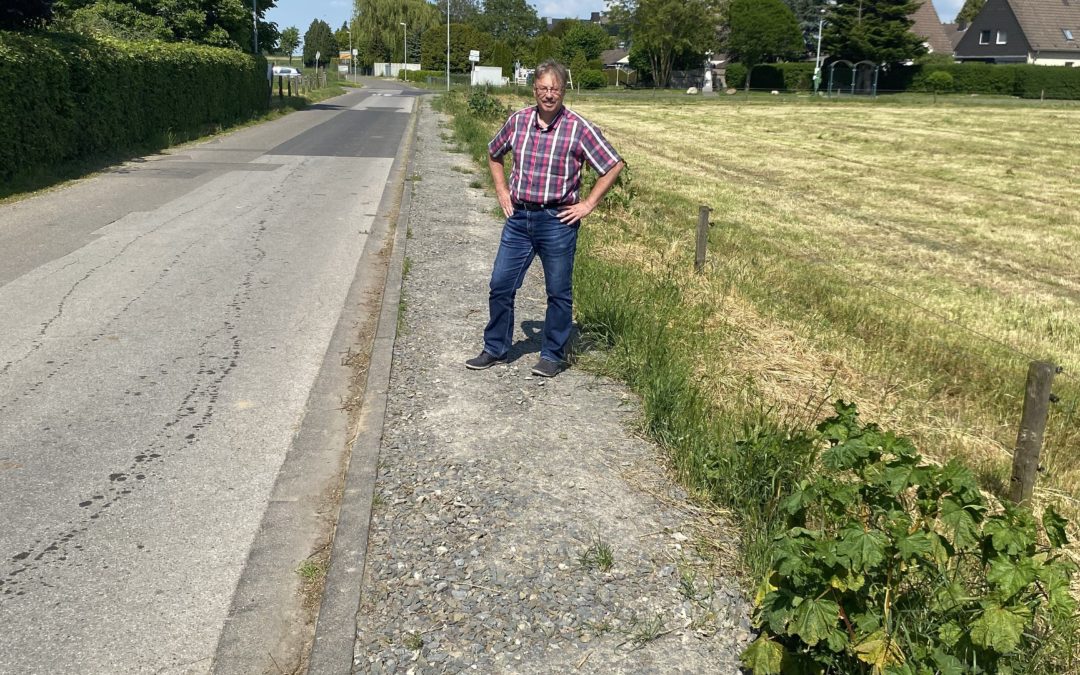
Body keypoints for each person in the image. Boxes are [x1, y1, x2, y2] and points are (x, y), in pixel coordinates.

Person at [465, 60, 624, 378]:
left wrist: (588, 204)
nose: (549, 94)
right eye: (543, 88)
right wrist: (501, 190)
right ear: (534, 89)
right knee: (500, 284)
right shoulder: (519, 120)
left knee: (558, 292)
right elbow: (494, 152)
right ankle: (495, 348)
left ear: (564, 90)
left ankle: (552, 354)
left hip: (558, 221)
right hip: (519, 217)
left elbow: (613, 165)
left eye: (555, 88)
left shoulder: (579, 127)